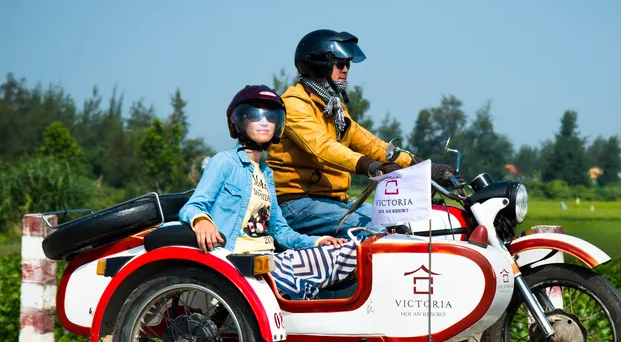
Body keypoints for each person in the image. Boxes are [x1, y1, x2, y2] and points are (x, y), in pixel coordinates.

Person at [267, 29, 453, 237]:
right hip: (297, 203)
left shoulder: (334, 108)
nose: (346, 70)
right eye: (340, 64)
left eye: (348, 64)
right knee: (376, 232)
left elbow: (370, 144)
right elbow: (323, 148)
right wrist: (371, 166)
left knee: (399, 223)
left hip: (333, 200)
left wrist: (419, 165)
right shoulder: (294, 104)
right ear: (318, 64)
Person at [178, 85, 358, 300]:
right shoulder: (224, 162)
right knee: (321, 273)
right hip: (239, 263)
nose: (264, 122)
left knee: (351, 251)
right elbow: (193, 205)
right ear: (239, 121)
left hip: (269, 260)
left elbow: (280, 231)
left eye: (271, 117)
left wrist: (317, 242)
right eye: (255, 116)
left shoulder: (266, 173)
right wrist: (201, 221)